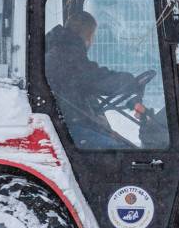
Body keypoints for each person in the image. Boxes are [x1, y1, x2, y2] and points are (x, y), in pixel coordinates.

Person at [44, 9, 141, 148]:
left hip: (70, 120)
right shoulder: (65, 54)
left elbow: (83, 85)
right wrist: (129, 81)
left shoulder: (62, 50)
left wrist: (96, 118)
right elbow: (96, 79)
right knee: (121, 152)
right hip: (69, 127)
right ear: (88, 36)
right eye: (93, 35)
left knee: (121, 144)